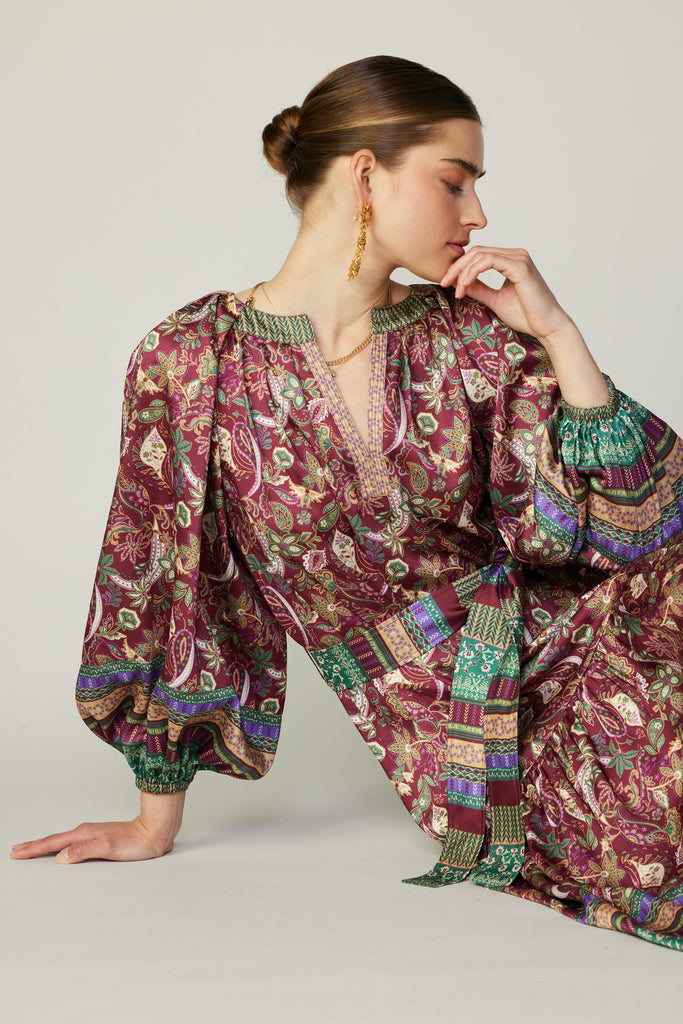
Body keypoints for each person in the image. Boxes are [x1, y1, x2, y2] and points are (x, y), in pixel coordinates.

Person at [11, 55, 683, 950]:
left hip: (599, 646)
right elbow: (168, 590)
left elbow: (634, 531)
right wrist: (152, 818)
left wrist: (558, 333)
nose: (478, 215)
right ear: (366, 174)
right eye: (455, 181)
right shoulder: (193, 363)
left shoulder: (467, 335)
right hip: (474, 737)